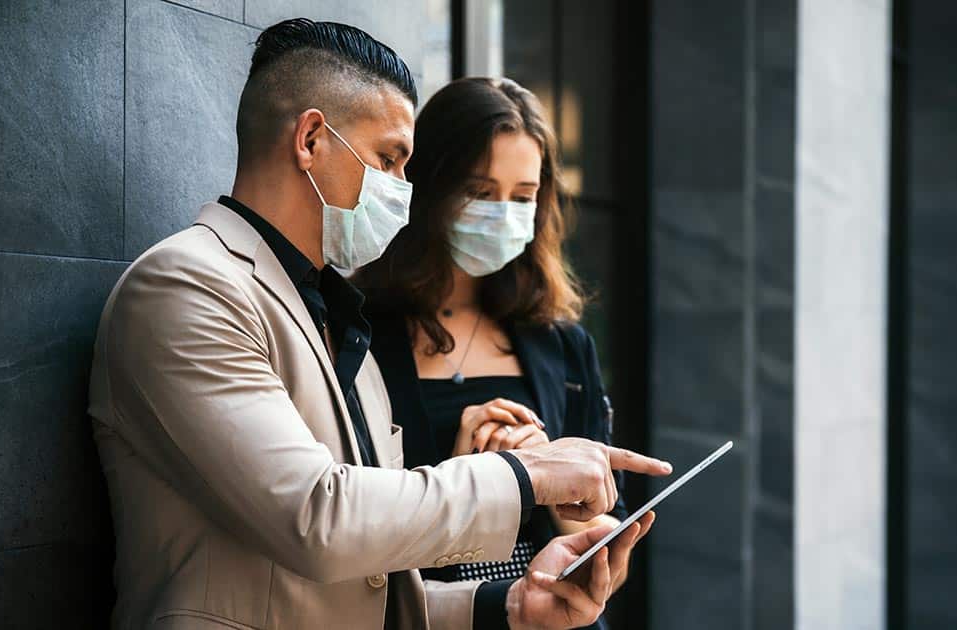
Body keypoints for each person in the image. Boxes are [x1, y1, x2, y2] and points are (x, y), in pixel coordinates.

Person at [87, 18, 670, 630]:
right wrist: (526, 474)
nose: (401, 191)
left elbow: (370, 587)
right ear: (311, 138)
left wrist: (513, 606)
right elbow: (318, 518)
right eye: (389, 160)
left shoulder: (334, 313)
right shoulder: (187, 286)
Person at [355, 77, 638, 629]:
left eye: (523, 196)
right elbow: (347, 533)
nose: (503, 213)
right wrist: (468, 478)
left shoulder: (560, 342)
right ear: (433, 186)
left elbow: (611, 555)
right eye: (481, 192)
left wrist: (560, 493)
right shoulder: (359, 333)